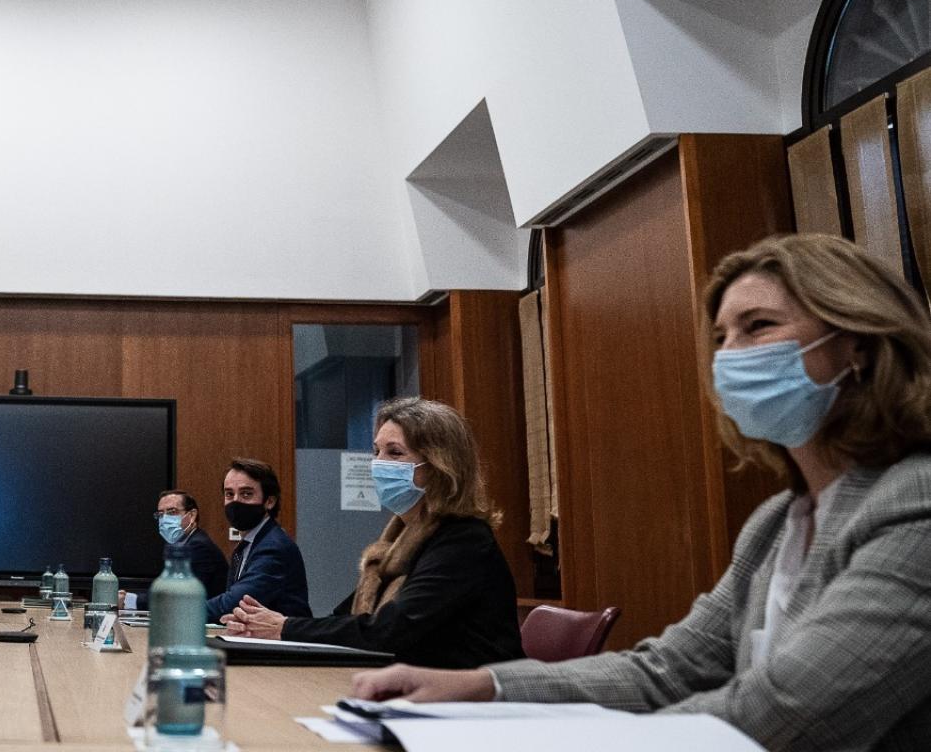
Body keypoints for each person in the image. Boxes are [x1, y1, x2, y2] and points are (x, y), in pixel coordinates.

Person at [350, 234, 931, 751]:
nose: (729, 355)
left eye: (759, 326)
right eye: (721, 337)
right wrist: (485, 685)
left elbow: (788, 713)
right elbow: (669, 669)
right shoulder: (777, 520)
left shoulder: (915, 502)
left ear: (857, 342)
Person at [225, 397, 523, 667]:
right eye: (376, 451)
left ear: (438, 466)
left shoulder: (463, 540)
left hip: (477, 706)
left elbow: (388, 629)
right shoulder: (396, 542)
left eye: (394, 453)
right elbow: (345, 620)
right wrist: (266, 625)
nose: (378, 464)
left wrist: (284, 627)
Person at [204, 457, 311, 622]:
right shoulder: (248, 544)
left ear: (269, 501)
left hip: (283, 643)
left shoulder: (274, 547)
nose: (236, 501)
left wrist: (182, 612)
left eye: (246, 494)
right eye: (229, 494)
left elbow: (236, 602)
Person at [157, 489, 228, 597]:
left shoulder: (198, 546)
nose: (165, 519)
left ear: (192, 515)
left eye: (172, 512)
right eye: (161, 514)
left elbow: (177, 596)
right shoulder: (183, 544)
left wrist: (130, 600)